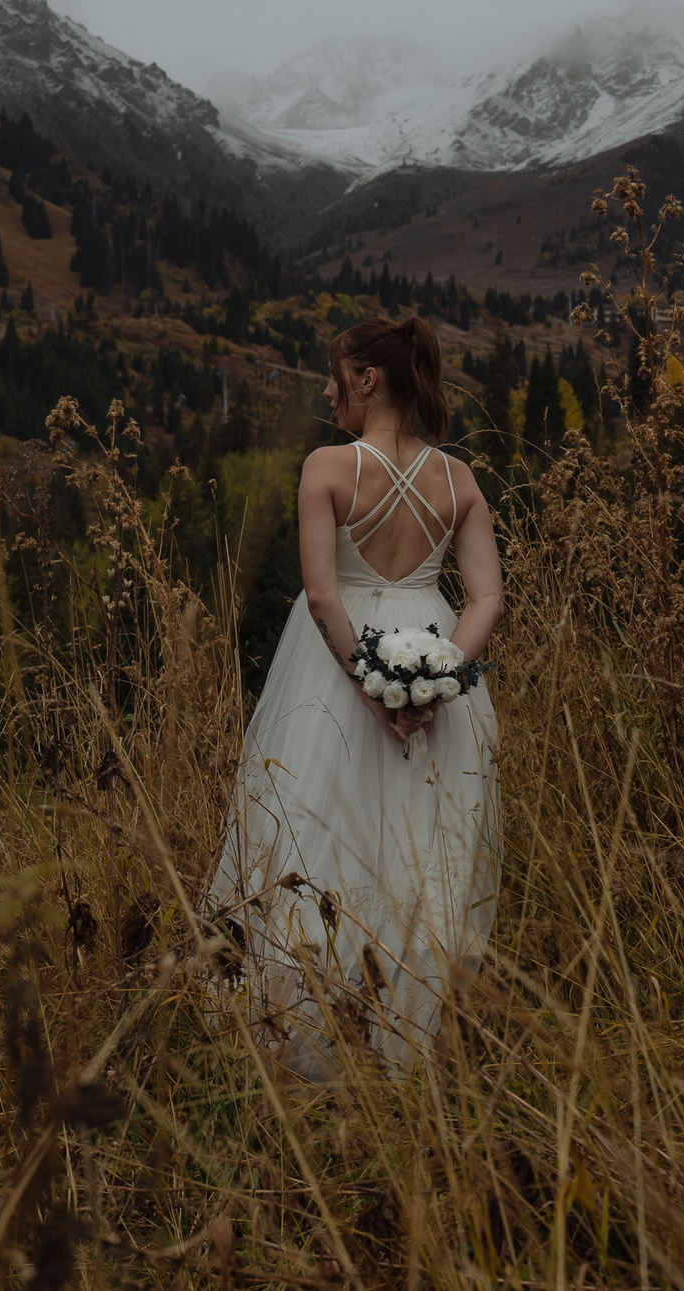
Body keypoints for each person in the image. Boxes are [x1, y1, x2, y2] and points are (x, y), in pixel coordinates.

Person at [207, 314, 504, 1075]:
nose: (328, 390)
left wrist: (372, 689)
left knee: (319, 839)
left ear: (369, 380)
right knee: (423, 854)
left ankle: (302, 1033)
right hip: (434, 653)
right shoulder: (459, 480)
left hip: (335, 670)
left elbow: (321, 595)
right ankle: (407, 1039)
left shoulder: (327, 467)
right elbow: (486, 601)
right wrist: (439, 679)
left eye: (336, 376)